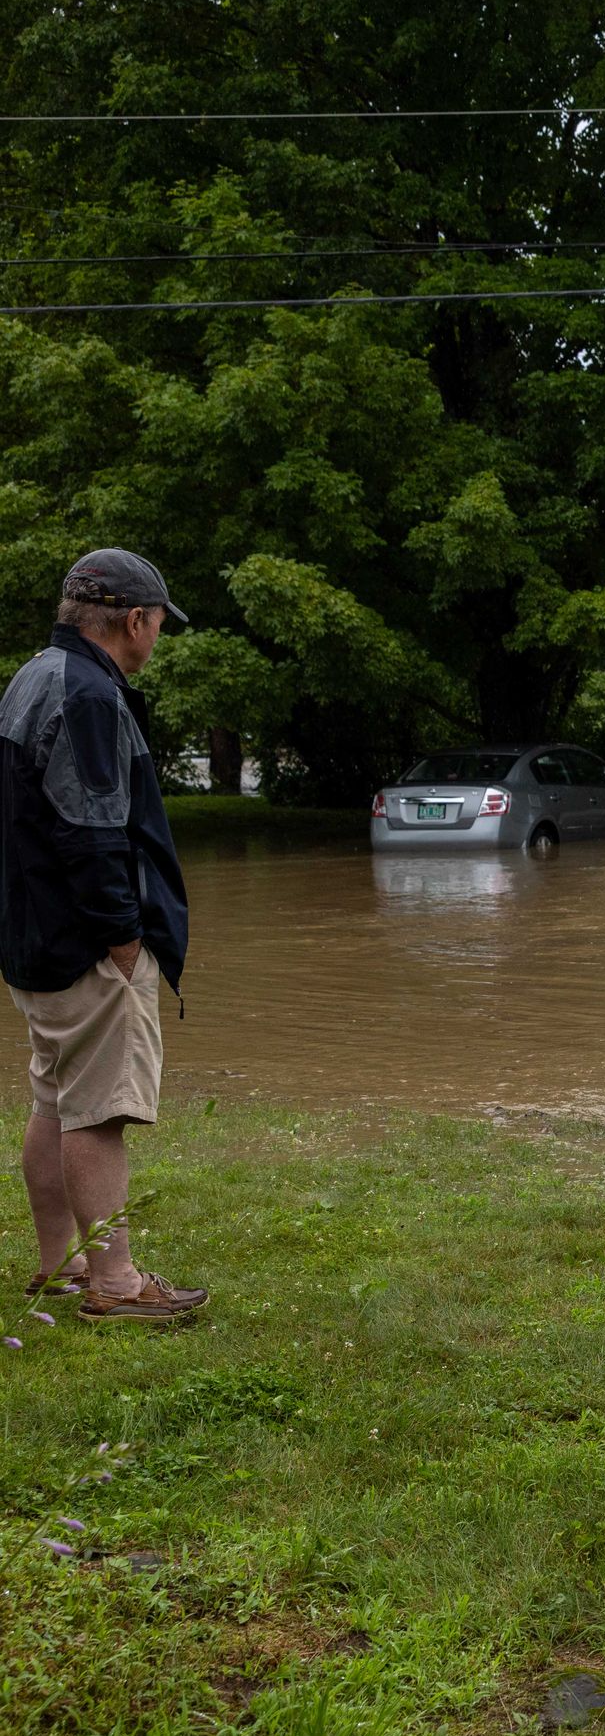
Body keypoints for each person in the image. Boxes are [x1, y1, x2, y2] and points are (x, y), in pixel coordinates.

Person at [1, 549, 207, 1323]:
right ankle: (115, 1284)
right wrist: (124, 941)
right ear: (134, 619)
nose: (156, 638)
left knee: (55, 1099)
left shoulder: (34, 675)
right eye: (157, 623)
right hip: (84, 945)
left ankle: (60, 1268)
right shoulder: (87, 693)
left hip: (34, 936)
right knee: (97, 1112)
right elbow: (90, 834)